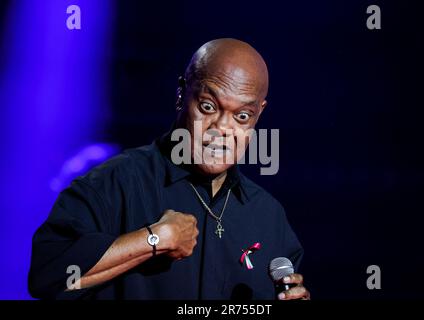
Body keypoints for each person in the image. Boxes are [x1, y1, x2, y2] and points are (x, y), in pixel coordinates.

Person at [28, 38, 310, 300]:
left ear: (259, 114)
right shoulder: (114, 183)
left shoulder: (268, 216)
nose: (222, 129)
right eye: (208, 106)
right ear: (181, 94)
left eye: (242, 116)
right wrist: (152, 240)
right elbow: (47, 276)